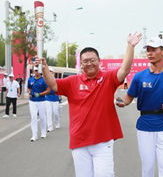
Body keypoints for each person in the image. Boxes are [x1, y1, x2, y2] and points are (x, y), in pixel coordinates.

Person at [41, 32, 142, 177]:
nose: (89, 64)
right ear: (81, 63)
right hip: (79, 141)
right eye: (85, 61)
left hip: (102, 142)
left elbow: (124, 69)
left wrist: (130, 46)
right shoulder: (72, 82)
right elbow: (54, 85)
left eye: (92, 60)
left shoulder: (108, 79)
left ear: (99, 61)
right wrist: (44, 68)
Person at [116, 36, 163, 177]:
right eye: (148, 50)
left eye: (153, 50)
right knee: (147, 169)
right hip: (144, 127)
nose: (149, 53)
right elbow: (129, 97)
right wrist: (122, 102)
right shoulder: (139, 77)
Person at [27, 66, 50, 142]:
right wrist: (30, 93)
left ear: (39, 71)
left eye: (37, 71)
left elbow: (48, 90)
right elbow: (29, 88)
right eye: (34, 70)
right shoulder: (30, 80)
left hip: (41, 101)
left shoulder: (44, 80)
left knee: (42, 117)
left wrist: (39, 94)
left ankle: (43, 132)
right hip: (32, 101)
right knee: (33, 117)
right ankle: (34, 135)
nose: (36, 72)